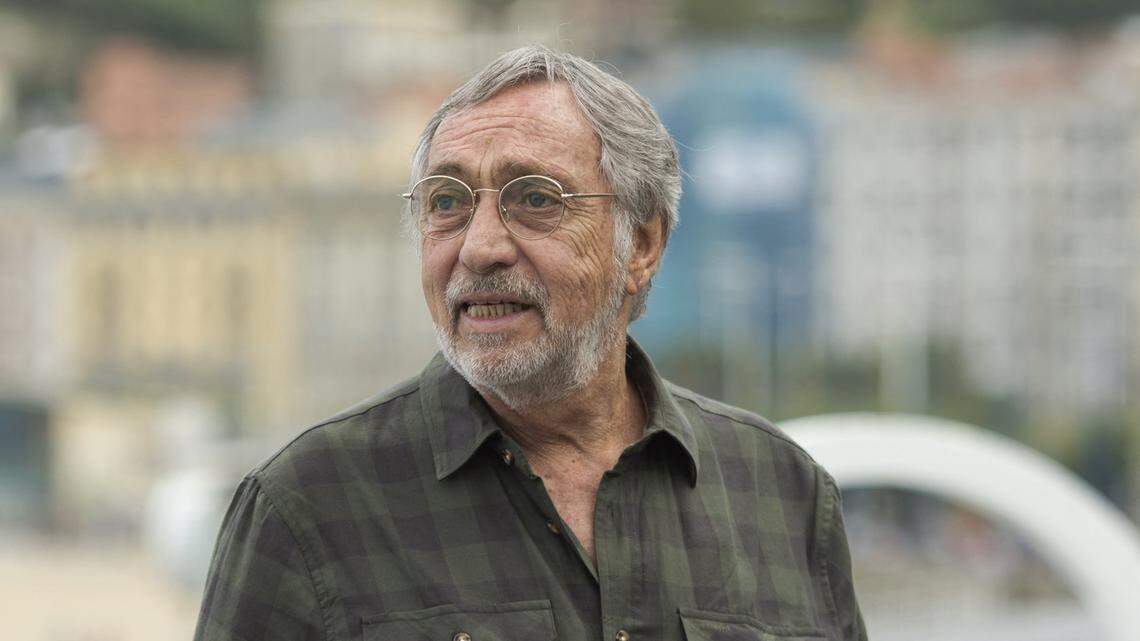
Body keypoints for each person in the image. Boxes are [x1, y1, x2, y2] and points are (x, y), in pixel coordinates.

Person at [194, 46, 867, 641]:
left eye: (536, 198)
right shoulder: (308, 506)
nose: (480, 246)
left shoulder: (784, 494)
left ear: (644, 244)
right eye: (447, 202)